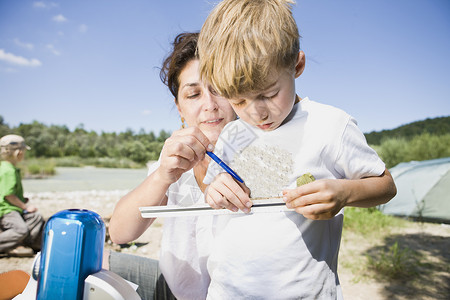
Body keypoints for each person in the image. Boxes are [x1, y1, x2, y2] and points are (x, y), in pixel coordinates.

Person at [197, 0, 397, 298]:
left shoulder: (330, 124)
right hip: (226, 291)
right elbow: (212, 189)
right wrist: (215, 190)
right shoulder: (233, 133)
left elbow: (385, 186)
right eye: (238, 101)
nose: (256, 114)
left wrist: (343, 193)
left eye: (268, 94)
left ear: (297, 65)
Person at [107, 32, 236, 300]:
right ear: (179, 107)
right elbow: (120, 233)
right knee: (97, 264)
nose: (209, 105)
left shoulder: (262, 153)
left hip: (239, 291)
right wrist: (163, 176)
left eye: (219, 89)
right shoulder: (173, 160)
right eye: (194, 94)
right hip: (176, 288)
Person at [0, 134, 45, 257]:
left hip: (12, 208)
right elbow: (8, 195)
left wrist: (21, 200)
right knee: (21, 230)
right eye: (24, 151)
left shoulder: (5, 167)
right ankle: (11, 244)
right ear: (18, 153)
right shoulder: (9, 171)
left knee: (36, 217)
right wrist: (25, 207)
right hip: (7, 211)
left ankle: (23, 243)